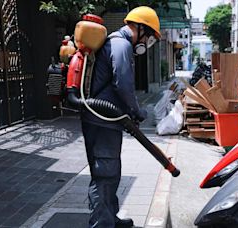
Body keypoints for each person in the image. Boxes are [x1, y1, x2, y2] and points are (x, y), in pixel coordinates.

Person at [80, 6, 161, 228]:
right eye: (150, 37)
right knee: (105, 174)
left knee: (111, 172)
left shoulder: (117, 43)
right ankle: (101, 224)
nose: (148, 43)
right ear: (141, 28)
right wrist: (137, 111)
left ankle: (110, 219)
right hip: (101, 119)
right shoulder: (121, 44)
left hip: (105, 119)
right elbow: (122, 84)